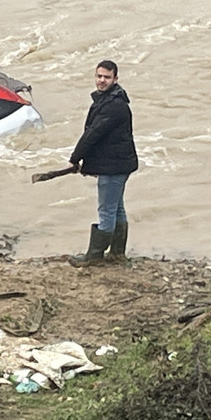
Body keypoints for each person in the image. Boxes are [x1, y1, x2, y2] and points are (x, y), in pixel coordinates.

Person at [68, 60, 138, 266]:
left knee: (107, 210)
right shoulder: (109, 100)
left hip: (114, 166)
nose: (101, 80)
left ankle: (94, 256)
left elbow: (92, 134)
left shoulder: (114, 106)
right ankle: (117, 253)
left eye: (107, 77)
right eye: (99, 76)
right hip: (119, 163)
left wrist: (75, 158)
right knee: (117, 208)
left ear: (115, 79)